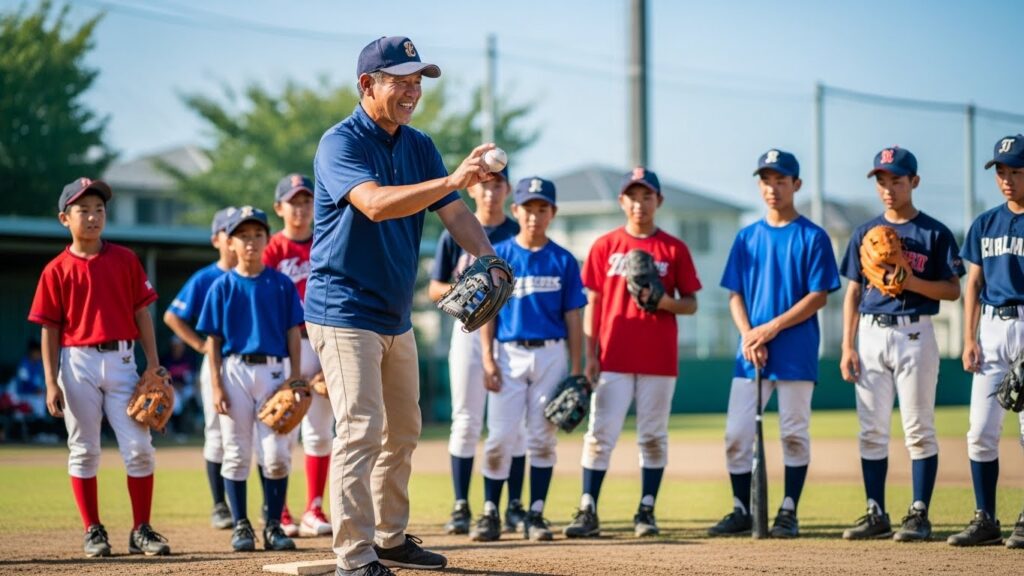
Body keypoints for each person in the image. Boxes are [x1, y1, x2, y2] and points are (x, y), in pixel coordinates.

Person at [304, 36, 509, 576]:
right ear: (367, 85)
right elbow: (372, 204)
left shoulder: (418, 144)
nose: (413, 89)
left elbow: (456, 211)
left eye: (419, 80)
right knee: (360, 428)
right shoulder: (339, 142)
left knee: (404, 430)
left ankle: (390, 538)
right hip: (342, 307)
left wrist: (488, 258)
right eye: (401, 79)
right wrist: (452, 178)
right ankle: (353, 553)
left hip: (394, 311)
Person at [28, 177, 171, 557]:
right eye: (83, 210)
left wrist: (153, 365)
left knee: (140, 447)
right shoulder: (56, 269)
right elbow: (49, 329)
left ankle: (141, 529)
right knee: (84, 449)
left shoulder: (125, 259)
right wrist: (50, 381)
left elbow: (143, 313)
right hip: (77, 363)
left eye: (99, 209)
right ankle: (93, 530)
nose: (93, 217)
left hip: (124, 361)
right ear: (65, 218)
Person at [707, 150, 840, 538]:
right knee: (736, 434)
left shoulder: (812, 236)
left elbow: (819, 295)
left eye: (781, 180)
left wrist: (771, 329)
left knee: (794, 432)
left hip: (796, 350)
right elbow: (734, 294)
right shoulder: (747, 236)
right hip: (751, 352)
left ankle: (788, 509)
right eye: (766, 180)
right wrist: (751, 334)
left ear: (796, 185)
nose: (773, 188)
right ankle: (741, 509)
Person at [564, 167, 701, 539]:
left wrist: (665, 302)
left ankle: (647, 510)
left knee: (653, 436)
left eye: (647, 196)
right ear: (621, 200)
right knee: (599, 434)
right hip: (612, 357)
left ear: (659, 201)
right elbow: (592, 302)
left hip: (658, 357)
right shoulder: (605, 246)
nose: (640, 203)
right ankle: (587, 508)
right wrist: (590, 355)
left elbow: (691, 304)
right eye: (633, 196)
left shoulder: (674, 249)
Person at [838, 147, 963, 542]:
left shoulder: (934, 232)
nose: (888, 187)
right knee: (871, 429)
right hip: (871, 332)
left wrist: (911, 282)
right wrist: (847, 345)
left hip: (915, 333)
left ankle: (919, 513)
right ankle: (875, 511)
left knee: (919, 428)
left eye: (896, 179)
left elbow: (952, 290)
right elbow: (852, 293)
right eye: (882, 180)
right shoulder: (864, 232)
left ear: (914, 182)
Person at [474, 177, 586, 542]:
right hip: (508, 353)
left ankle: (535, 513)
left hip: (551, 353)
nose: (535, 215)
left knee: (542, 437)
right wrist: (488, 360)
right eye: (528, 208)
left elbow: (574, 317)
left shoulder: (564, 260)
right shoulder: (500, 256)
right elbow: (487, 311)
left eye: (542, 208)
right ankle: (490, 511)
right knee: (500, 438)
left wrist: (578, 369)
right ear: (515, 210)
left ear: (552, 213)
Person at [197, 206, 305, 553]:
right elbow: (212, 341)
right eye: (243, 235)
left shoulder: (281, 283)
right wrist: (215, 385)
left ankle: (273, 525)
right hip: (234, 371)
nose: (251, 241)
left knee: (277, 456)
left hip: (274, 372)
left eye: (257, 234)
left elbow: (293, 332)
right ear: (229, 242)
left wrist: (295, 378)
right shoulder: (222, 286)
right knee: (236, 452)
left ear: (266, 239)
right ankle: (241, 524)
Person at [428, 164, 529, 536]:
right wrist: (460, 287)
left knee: (513, 426)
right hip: (468, 332)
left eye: (497, 184)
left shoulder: (516, 234)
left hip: (510, 334)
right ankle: (461, 505)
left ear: (507, 190)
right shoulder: (456, 231)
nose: (489, 191)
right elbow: (434, 289)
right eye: (483, 185)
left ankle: (514, 505)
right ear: (472, 191)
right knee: (466, 420)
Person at [953, 134, 1024, 549]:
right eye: (1001, 171)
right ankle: (985, 518)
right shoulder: (985, 223)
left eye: (1015, 171)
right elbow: (974, 283)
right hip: (992, 332)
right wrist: (968, 339)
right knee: (980, 431)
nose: (1007, 179)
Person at [263, 173, 332, 538]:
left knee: (320, 432)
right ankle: (282, 511)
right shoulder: (271, 250)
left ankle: (314, 508)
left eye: (307, 201)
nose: (301, 209)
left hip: (323, 341)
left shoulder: (326, 242)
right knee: (285, 429)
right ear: (279, 208)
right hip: (286, 345)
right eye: (294, 202)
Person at [163, 206, 237, 530]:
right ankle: (220, 505)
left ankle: (265, 509)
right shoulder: (207, 277)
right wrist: (199, 345)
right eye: (230, 232)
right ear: (216, 239)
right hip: (218, 362)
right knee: (217, 434)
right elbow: (172, 316)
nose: (236, 239)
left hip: (258, 363)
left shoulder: (264, 273)